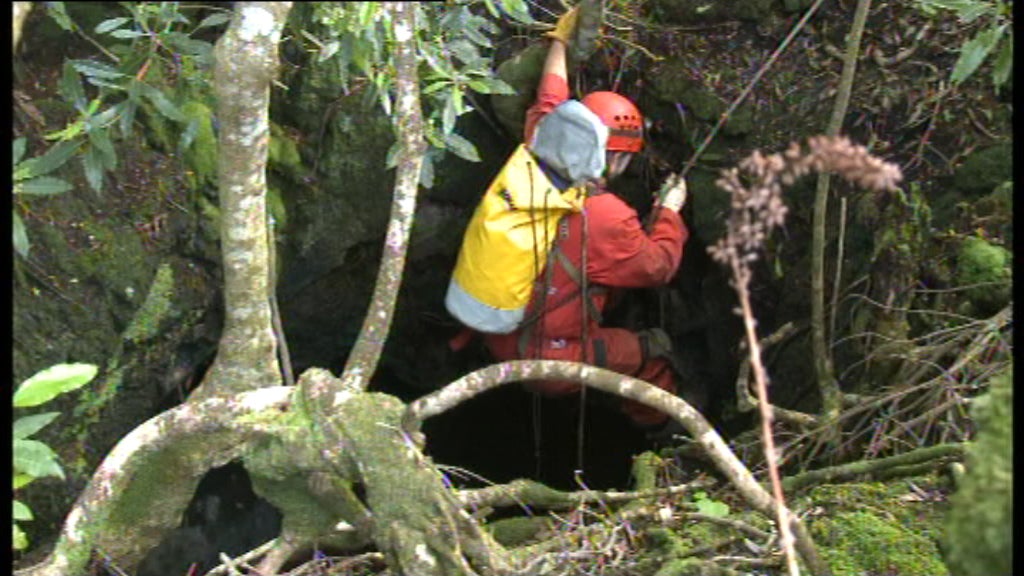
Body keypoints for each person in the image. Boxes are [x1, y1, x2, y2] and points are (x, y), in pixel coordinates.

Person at [481, 5, 691, 432]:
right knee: (653, 349)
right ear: (614, 158)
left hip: (497, 336)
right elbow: (657, 267)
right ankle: (663, 431)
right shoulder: (605, 214)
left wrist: (559, 42)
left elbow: (549, 99)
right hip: (550, 362)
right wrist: (669, 211)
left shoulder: (536, 151)